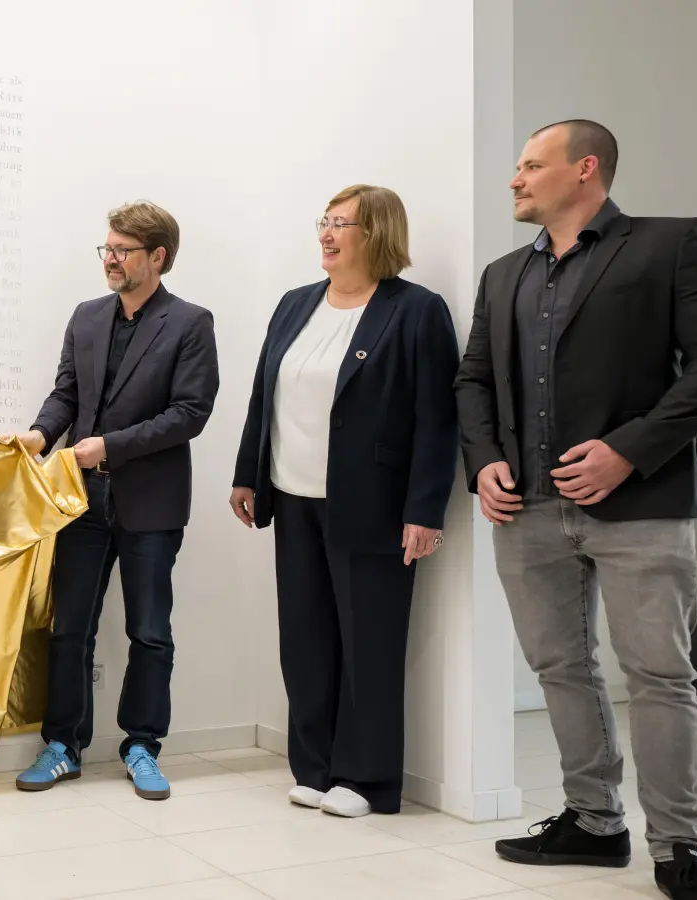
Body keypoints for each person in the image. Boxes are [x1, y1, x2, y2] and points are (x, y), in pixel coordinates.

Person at [456, 119, 697, 899]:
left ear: (586, 169)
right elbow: (472, 379)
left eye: (530, 165)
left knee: (659, 677)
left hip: (642, 504)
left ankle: (679, 848)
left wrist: (630, 450)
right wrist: (485, 462)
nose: (515, 178)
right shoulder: (504, 273)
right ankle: (594, 823)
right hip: (526, 509)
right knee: (560, 670)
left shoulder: (671, 244)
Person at [230, 185, 459, 818]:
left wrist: (424, 510)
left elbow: (437, 421)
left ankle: (366, 780)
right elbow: (263, 393)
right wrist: (249, 472)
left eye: (341, 224)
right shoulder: (295, 304)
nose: (326, 235)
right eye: (324, 222)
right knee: (304, 640)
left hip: (372, 504)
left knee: (370, 644)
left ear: (377, 233)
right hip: (293, 494)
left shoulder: (416, 311)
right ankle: (315, 766)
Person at [10, 201, 219, 800]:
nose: (110, 258)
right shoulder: (87, 316)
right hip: (79, 500)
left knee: (150, 632)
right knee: (68, 630)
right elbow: (66, 395)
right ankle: (63, 745)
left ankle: (142, 745)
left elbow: (189, 415)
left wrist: (109, 448)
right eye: (106, 248)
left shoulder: (190, 322)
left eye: (123, 250)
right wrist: (42, 433)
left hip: (150, 503)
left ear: (158, 257)